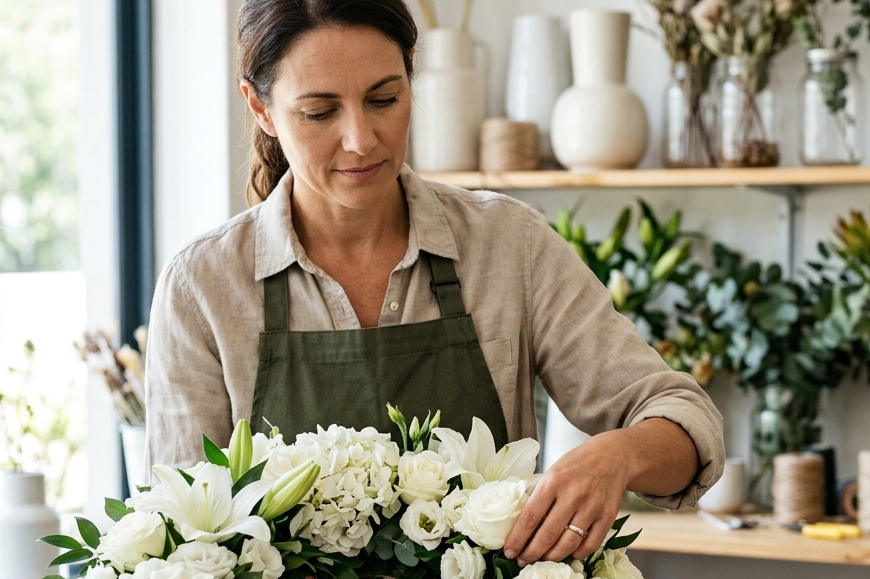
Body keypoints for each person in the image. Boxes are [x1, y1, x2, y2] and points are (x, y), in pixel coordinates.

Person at [145, 0, 724, 567]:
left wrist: (615, 456)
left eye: (384, 99)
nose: (362, 140)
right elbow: (184, 544)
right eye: (320, 112)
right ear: (261, 108)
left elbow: (684, 417)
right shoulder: (203, 287)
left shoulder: (507, 245)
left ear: (412, 74)